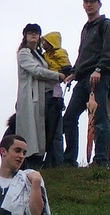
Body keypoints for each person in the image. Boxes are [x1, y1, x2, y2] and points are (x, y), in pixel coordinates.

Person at [63, 0, 110, 167]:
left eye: (92, 2)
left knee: (100, 117)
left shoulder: (106, 25)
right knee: (69, 117)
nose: (89, 5)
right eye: (86, 1)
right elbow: (83, 53)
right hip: (83, 78)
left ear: (99, 5)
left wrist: (99, 69)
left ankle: (101, 159)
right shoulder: (87, 28)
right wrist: (74, 72)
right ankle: (69, 159)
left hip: (99, 76)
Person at [16, 24, 70, 169]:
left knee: (48, 130)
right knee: (32, 132)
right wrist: (56, 75)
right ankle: (30, 162)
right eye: (30, 32)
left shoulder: (40, 55)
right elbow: (36, 70)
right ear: (25, 36)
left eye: (36, 33)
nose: (34, 35)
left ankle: (50, 162)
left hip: (45, 95)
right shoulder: (24, 53)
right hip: (31, 97)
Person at [41, 31, 72, 167]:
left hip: (55, 92)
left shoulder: (60, 53)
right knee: (48, 127)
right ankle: (50, 159)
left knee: (55, 127)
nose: (43, 44)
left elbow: (67, 69)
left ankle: (57, 160)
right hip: (47, 89)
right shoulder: (44, 56)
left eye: (45, 41)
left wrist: (58, 75)